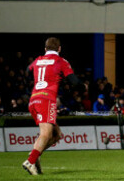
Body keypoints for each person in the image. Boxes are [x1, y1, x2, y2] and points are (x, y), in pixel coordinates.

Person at [23, 37, 83, 176]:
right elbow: (74, 82)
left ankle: (34, 155)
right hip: (46, 99)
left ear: (45, 49)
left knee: (56, 135)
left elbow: (27, 70)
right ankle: (31, 160)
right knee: (46, 134)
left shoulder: (38, 60)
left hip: (33, 99)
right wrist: (82, 86)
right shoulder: (61, 61)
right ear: (59, 49)